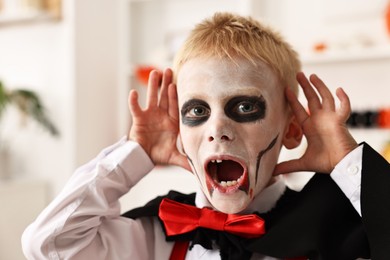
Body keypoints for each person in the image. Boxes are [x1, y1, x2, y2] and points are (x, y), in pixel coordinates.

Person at [22, 12, 389, 260]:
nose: (217, 130)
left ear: (292, 129)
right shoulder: (156, 236)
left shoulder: (335, 228)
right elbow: (50, 242)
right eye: (197, 112)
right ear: (181, 132)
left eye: (245, 108)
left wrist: (347, 161)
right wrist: (137, 153)